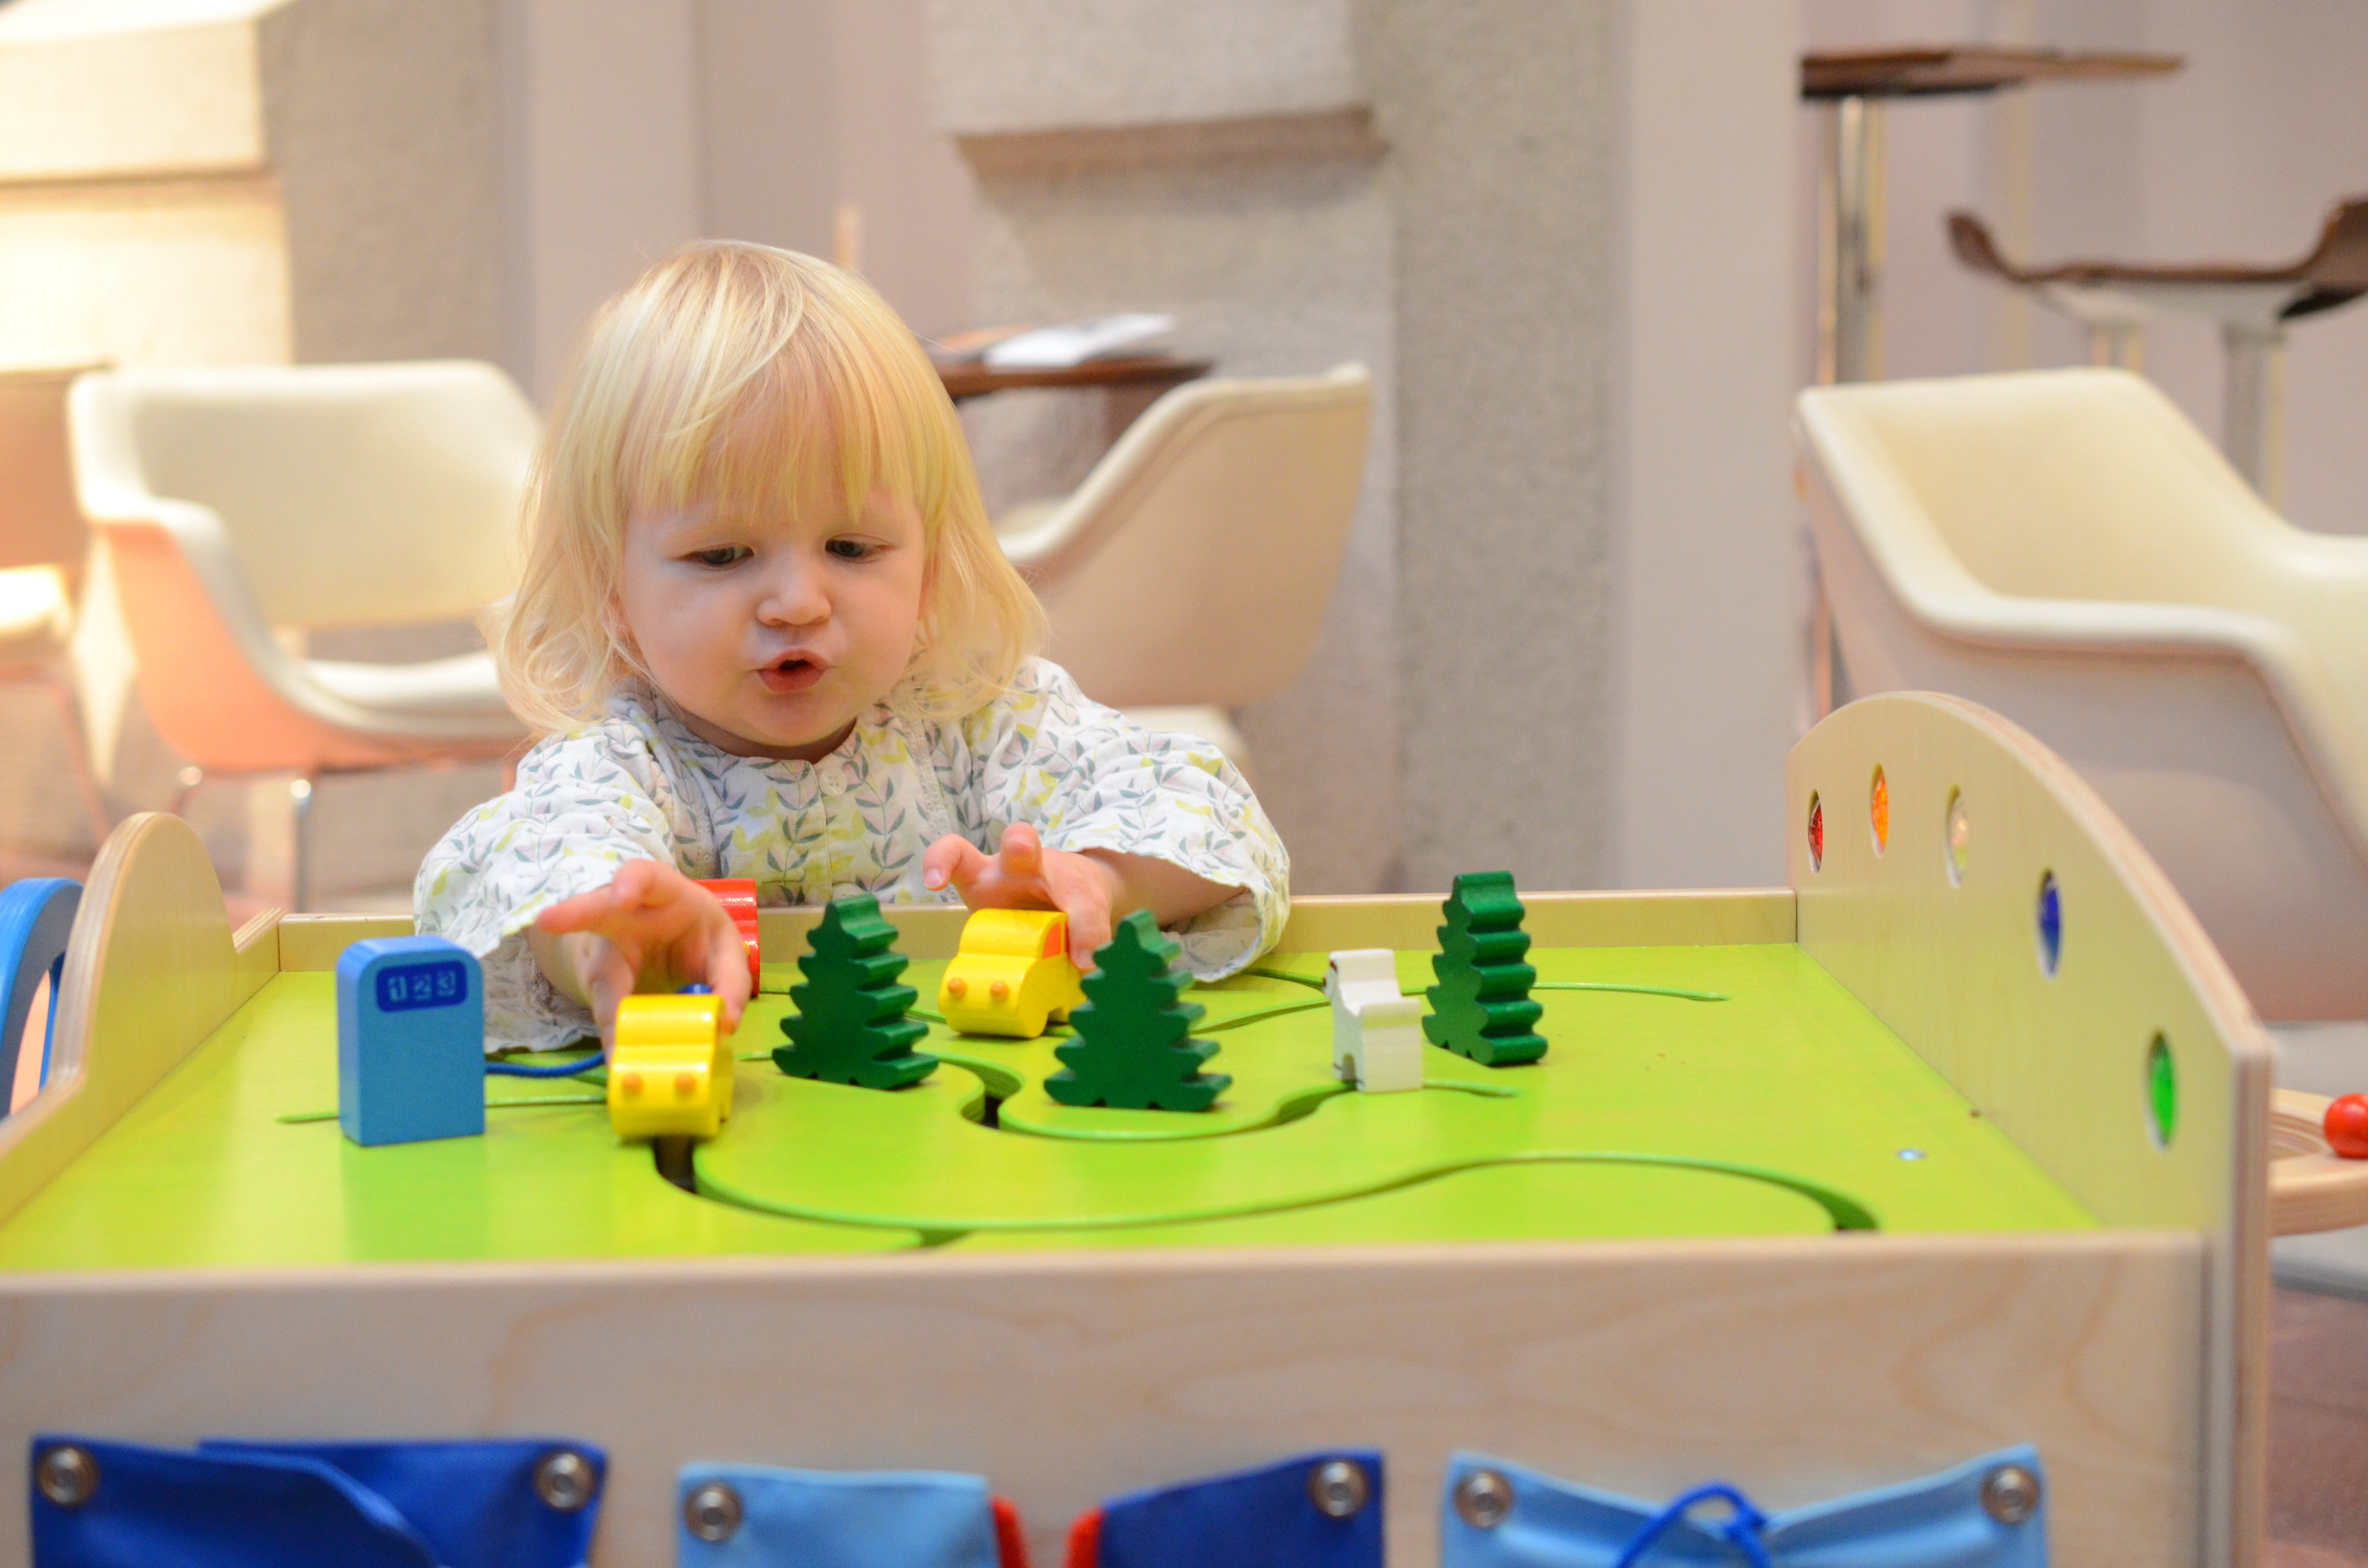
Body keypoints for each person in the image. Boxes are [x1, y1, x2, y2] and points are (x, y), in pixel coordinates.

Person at [417, 243, 1287, 1052]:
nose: (799, 602)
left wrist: (1106, 882)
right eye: (721, 555)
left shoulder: (979, 722)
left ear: (930, 566)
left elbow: (1206, 815)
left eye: (852, 547)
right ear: (612, 587)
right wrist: (612, 935)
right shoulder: (622, 763)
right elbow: (516, 883)